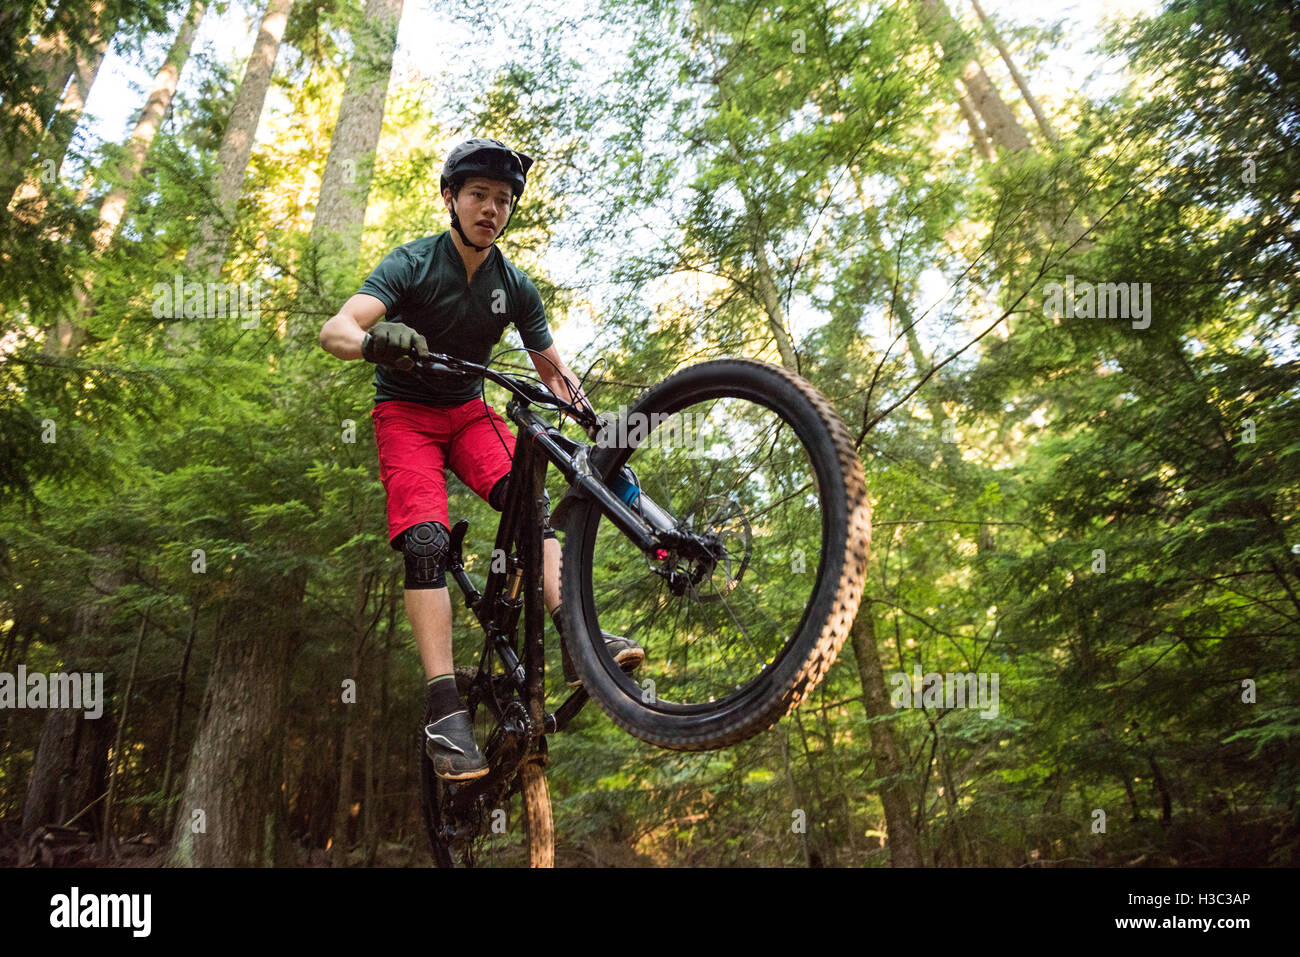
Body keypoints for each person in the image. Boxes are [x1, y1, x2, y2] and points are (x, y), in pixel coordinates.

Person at [318, 137, 643, 781]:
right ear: (450, 199)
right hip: (405, 416)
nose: (491, 209)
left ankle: (577, 636)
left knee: (533, 501)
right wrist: (376, 342)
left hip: (469, 414)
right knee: (426, 544)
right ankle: (444, 706)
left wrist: (598, 428)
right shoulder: (412, 264)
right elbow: (335, 330)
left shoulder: (515, 288)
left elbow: (554, 373)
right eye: (477, 196)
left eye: (502, 200)